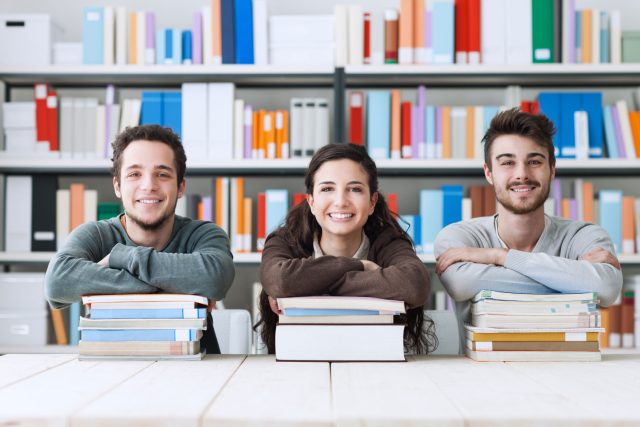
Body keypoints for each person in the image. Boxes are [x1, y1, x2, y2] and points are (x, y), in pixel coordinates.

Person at [434, 108, 623, 352]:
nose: (521, 174)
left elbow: (607, 289)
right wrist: (577, 281)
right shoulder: (459, 238)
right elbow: (461, 284)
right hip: (482, 380)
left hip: (572, 376)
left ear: (552, 170)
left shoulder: (585, 236)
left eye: (534, 162)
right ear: (489, 173)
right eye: (507, 163)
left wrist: (500, 257)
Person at [45, 124, 235, 354]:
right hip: (111, 373)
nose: (149, 185)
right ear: (118, 185)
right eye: (134, 174)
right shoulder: (95, 235)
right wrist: (179, 289)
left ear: (181, 186)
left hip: (199, 376)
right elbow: (58, 282)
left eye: (162, 174)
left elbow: (215, 278)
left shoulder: (203, 234)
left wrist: (122, 256)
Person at [257, 143, 435, 354]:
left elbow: (414, 284)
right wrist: (361, 266)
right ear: (311, 201)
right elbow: (280, 280)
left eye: (355, 189)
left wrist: (307, 283)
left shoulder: (388, 242)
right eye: (327, 189)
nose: (340, 201)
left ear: (372, 202)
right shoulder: (285, 241)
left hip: (377, 364)